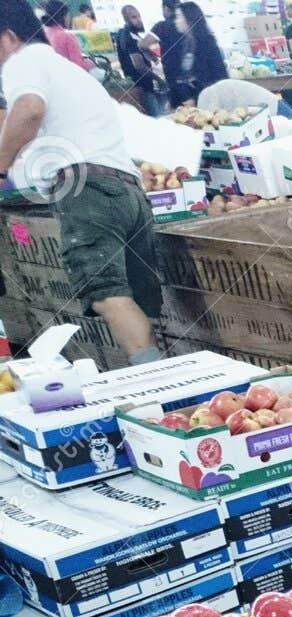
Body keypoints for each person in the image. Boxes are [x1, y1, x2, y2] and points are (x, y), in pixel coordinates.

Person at [0, 0, 163, 365]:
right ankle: (167, 380)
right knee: (133, 299)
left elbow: (28, 110)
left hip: (87, 189)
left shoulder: (22, 63)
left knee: (105, 293)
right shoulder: (64, 68)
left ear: (9, 36)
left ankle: (162, 392)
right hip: (127, 190)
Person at [169, 2, 227, 105]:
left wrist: (196, 99)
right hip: (192, 100)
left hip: (209, 102)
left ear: (189, 18)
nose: (175, 21)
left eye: (178, 17)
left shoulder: (206, 42)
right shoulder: (186, 43)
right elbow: (185, 74)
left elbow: (217, 75)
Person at [114, 4, 166, 116]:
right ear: (126, 19)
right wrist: (160, 80)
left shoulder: (132, 34)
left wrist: (152, 55)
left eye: (139, 16)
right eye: (134, 17)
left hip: (145, 85)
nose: (139, 20)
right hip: (142, 87)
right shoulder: (128, 37)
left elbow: (141, 50)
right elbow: (139, 66)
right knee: (156, 119)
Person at [40, 2, 90, 69]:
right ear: (64, 16)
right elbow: (77, 65)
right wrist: (91, 64)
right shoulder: (67, 37)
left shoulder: (42, 33)